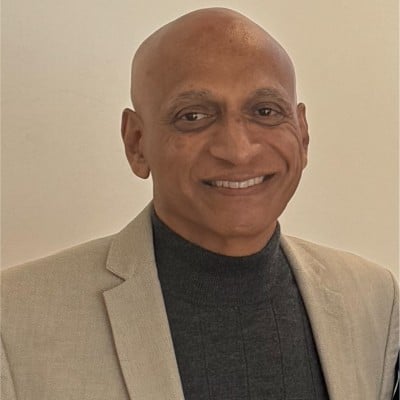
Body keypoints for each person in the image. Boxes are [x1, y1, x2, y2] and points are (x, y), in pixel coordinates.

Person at [1, 7, 398, 400]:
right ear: (137, 144)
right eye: (193, 116)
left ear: (303, 134)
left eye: (265, 111)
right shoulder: (14, 319)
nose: (238, 151)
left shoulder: (375, 301)